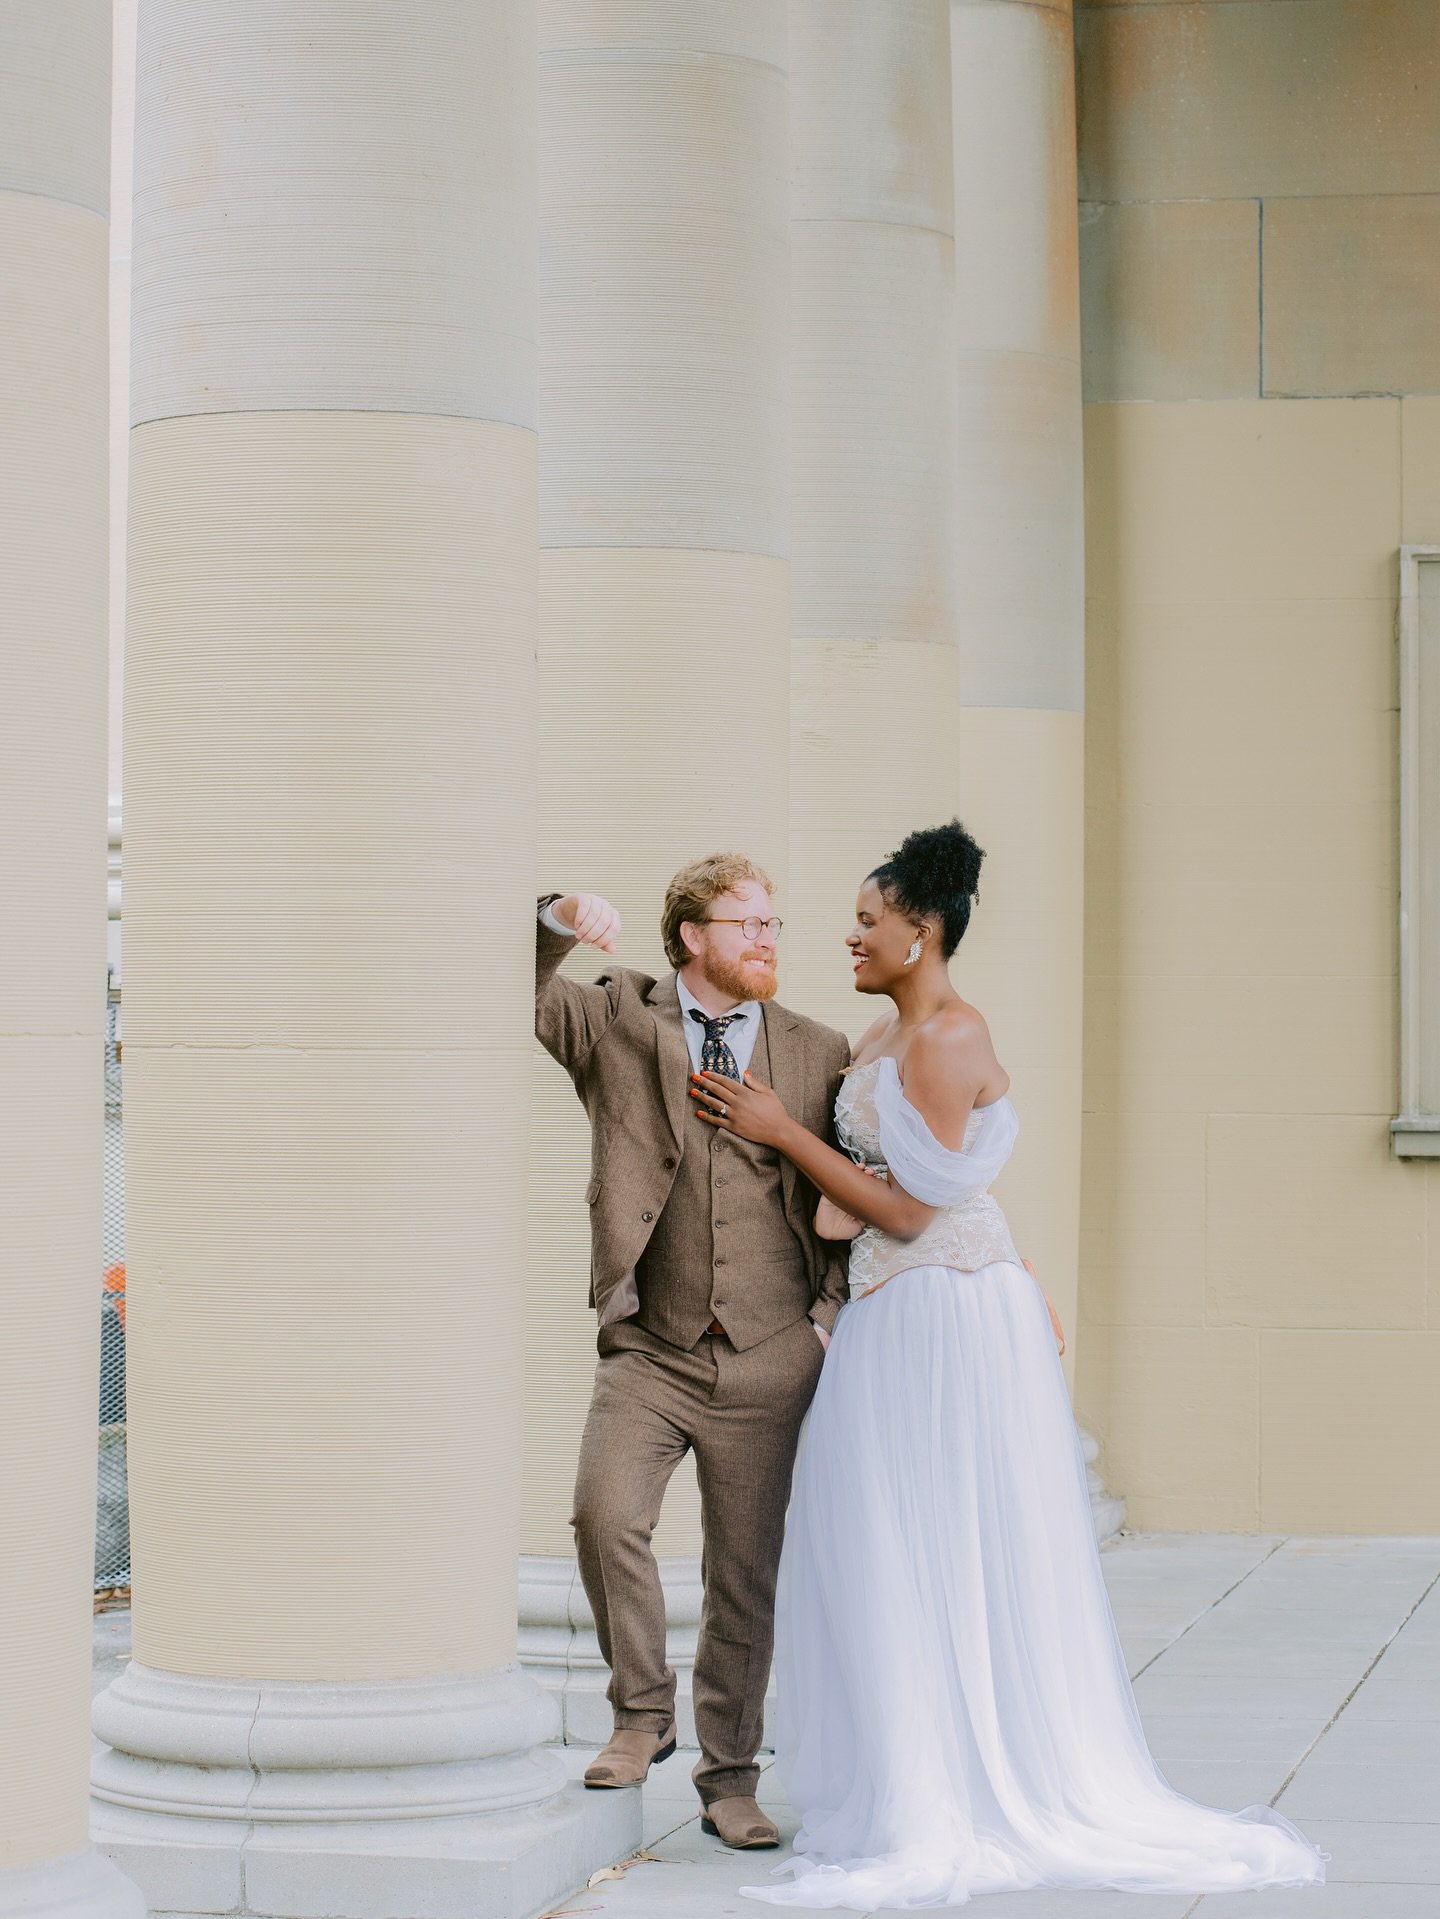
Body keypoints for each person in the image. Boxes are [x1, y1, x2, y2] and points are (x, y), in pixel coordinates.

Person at [688, 821, 1326, 1910]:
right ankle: (902, 1775)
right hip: (899, 1303)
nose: (850, 933)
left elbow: (914, 1203)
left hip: (942, 1314)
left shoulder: (945, 1038)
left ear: (920, 929)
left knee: (935, 1530)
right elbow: (897, 1188)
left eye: (867, 918)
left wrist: (780, 1133)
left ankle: (960, 1786)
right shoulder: (886, 1034)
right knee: (878, 1534)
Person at [534, 855, 850, 1851]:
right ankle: (641, 1712)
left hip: (772, 1350)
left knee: (744, 1572)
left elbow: (847, 1191)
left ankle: (730, 1774)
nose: (765, 936)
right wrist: (554, 916)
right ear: (690, 935)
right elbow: (523, 991)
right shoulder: (620, 1018)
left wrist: (825, 1316)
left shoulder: (816, 1048)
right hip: (652, 1346)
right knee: (603, 1511)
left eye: (772, 920)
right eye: (744, 921)